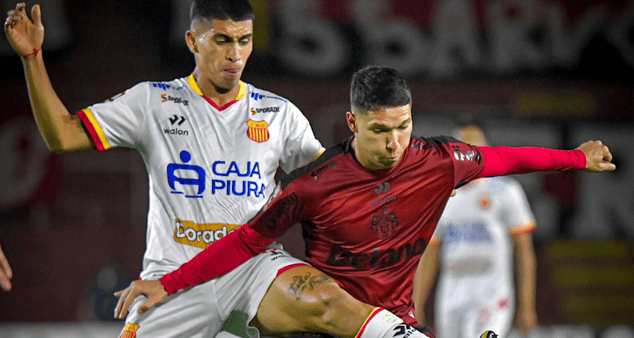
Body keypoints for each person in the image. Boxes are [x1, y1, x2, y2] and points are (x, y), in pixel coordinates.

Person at [5, 0, 427, 338]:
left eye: (244, 41)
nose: (235, 54)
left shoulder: (276, 113)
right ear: (193, 41)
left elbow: (333, 185)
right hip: (174, 274)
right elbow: (61, 135)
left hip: (254, 265)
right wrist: (32, 57)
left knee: (326, 298)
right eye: (222, 40)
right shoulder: (153, 101)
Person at [114, 65, 615, 334]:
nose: (394, 142)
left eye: (403, 127)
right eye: (380, 130)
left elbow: (506, 158)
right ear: (353, 123)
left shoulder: (440, 161)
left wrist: (575, 158)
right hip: (328, 329)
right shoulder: (314, 184)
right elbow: (247, 241)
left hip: (397, 326)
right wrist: (170, 284)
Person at [413, 122, 538, 338]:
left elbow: (524, 252)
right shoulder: (439, 196)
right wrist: (416, 303)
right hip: (451, 296)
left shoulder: (506, 191)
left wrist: (527, 305)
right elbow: (429, 255)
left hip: (491, 295)